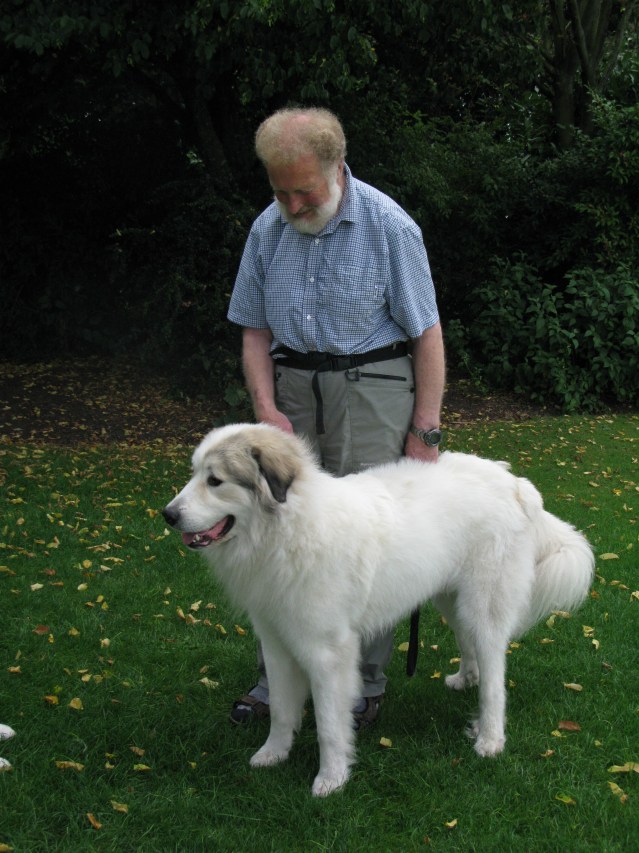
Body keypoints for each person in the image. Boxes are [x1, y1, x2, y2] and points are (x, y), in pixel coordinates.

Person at [227, 106, 445, 729]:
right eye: (280, 191)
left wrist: (425, 429)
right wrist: (266, 411)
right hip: (293, 389)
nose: (292, 206)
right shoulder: (266, 230)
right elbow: (254, 330)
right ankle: (278, 683)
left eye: (305, 191)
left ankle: (361, 683)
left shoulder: (388, 225)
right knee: (280, 529)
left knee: (371, 537)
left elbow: (426, 332)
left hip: (374, 387)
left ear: (337, 167)